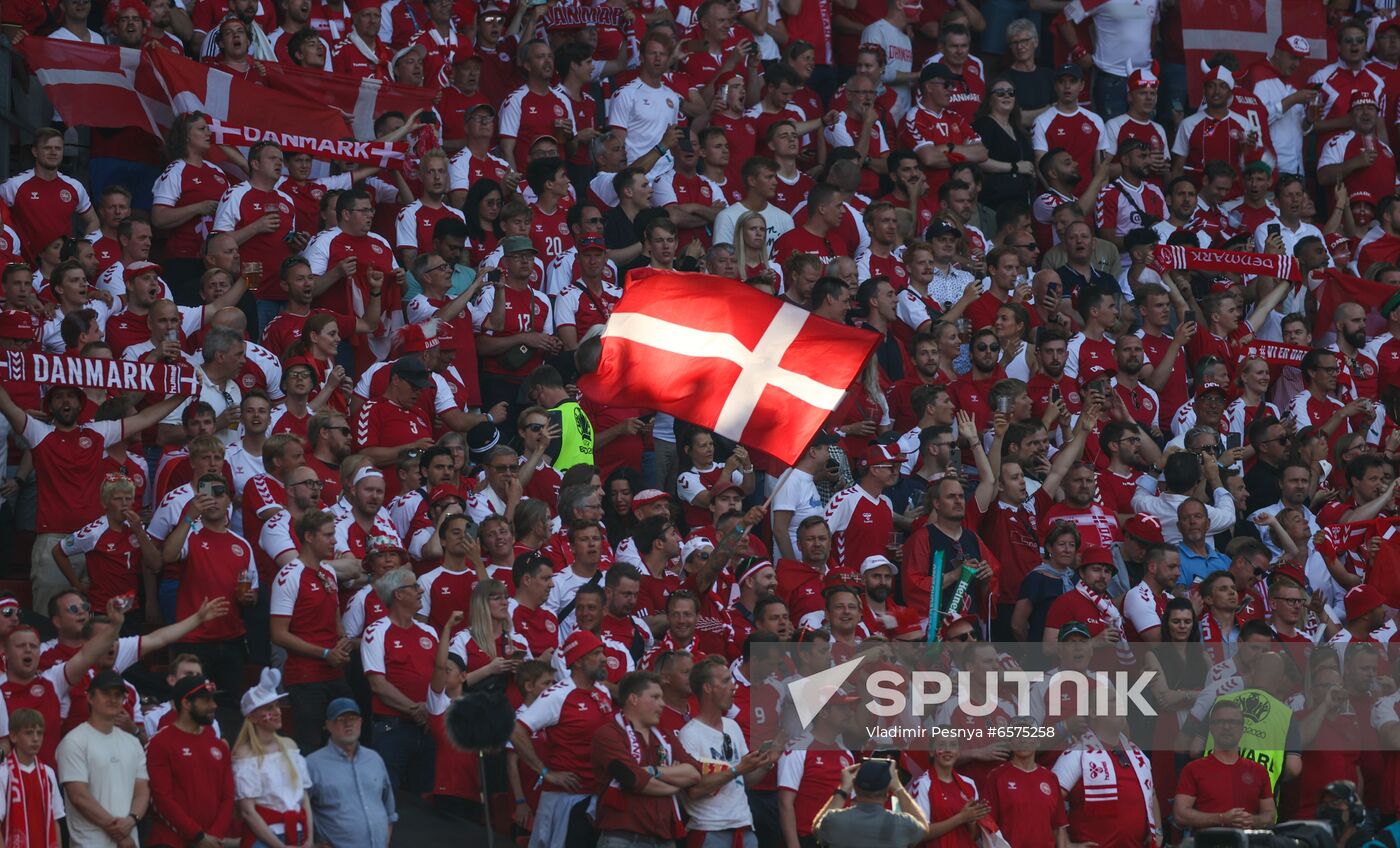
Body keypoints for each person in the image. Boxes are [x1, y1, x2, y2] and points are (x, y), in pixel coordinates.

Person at [56, 669, 149, 848]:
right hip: (91, 843)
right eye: (106, 693)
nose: (113, 699)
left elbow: (142, 791)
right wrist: (121, 833)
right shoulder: (73, 741)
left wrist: (131, 820)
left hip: (129, 840)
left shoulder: (132, 742)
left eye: (118, 695)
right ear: (90, 698)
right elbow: (79, 797)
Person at [145, 676, 236, 848]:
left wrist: (214, 836)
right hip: (170, 841)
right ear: (186, 703)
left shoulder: (219, 746)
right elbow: (161, 798)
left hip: (212, 842)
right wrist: (198, 836)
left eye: (213, 700)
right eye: (206, 701)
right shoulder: (160, 743)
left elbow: (228, 797)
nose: (214, 705)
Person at [233, 668, 314, 848]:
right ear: (253, 717)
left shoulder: (290, 746)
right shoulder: (245, 756)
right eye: (269, 708)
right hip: (266, 838)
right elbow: (248, 811)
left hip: (299, 834)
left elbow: (304, 798)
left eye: (277, 706)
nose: (277, 711)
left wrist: (309, 839)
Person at [305, 698, 396, 848]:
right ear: (328, 725)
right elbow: (301, 811)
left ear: (360, 722)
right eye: (341, 719)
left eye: (353, 718)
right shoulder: (312, 764)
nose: (348, 724)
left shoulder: (374, 759)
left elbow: (389, 811)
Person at [812, 759, 930, 848]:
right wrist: (898, 788)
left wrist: (843, 789)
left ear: (855, 788)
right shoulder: (901, 824)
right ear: (887, 792)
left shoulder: (834, 821)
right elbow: (923, 828)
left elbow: (816, 828)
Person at [0, 709, 64, 848]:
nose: (35, 738)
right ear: (13, 736)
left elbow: (55, 821)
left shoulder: (48, 773)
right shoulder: (3, 774)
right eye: (29, 733)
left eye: (39, 733)